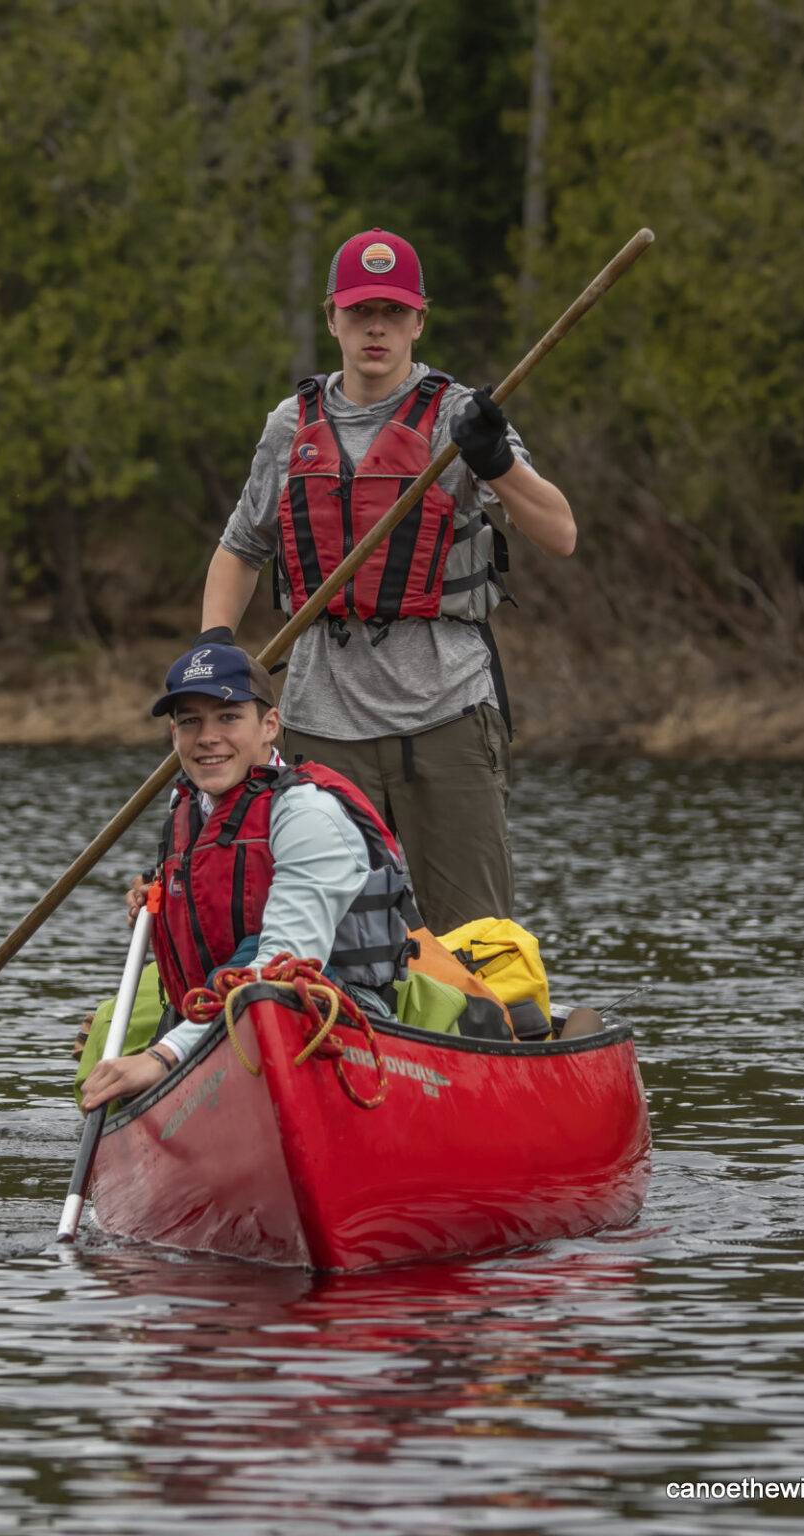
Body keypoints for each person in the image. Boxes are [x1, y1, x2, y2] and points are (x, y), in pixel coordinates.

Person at [197, 227, 577, 935]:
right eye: (361, 310)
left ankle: (482, 1036)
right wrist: (214, 661)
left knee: (474, 941)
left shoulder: (460, 419)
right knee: (319, 936)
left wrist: (497, 462)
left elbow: (560, 534)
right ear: (332, 316)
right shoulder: (290, 426)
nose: (377, 326)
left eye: (394, 312)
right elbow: (239, 549)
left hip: (447, 713)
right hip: (321, 722)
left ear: (419, 319)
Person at [80, 641, 418, 1111]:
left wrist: (163, 1056)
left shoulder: (306, 813)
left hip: (329, 1012)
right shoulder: (188, 807)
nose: (207, 737)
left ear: (269, 726)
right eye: (189, 721)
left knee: (260, 981)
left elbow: (285, 962)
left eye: (228, 717)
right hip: (215, 1010)